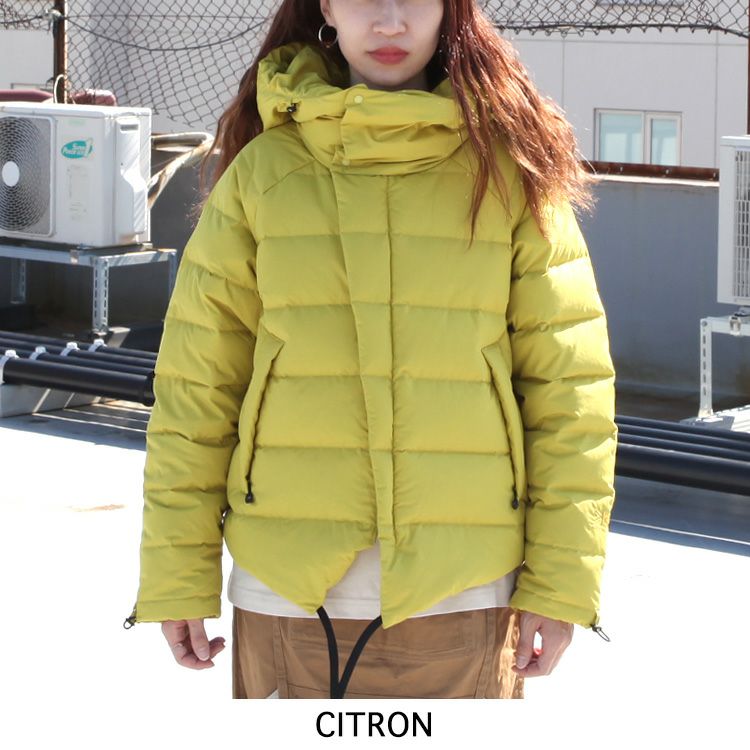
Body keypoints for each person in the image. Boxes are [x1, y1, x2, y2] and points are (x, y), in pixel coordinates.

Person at [124, 0, 617, 700]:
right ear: (325, 6)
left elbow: (571, 395)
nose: (389, 21)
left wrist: (562, 582)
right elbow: (196, 391)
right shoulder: (264, 176)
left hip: (463, 595)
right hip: (288, 596)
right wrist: (177, 574)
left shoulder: (509, 174)